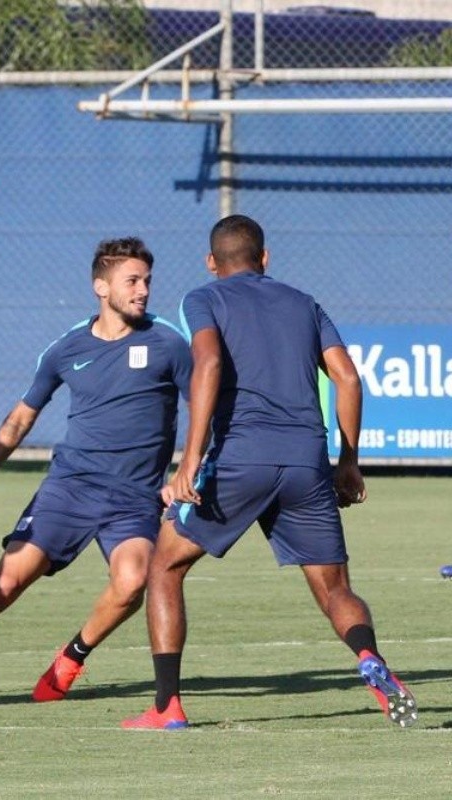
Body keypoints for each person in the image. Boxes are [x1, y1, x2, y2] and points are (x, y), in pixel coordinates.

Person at [122, 214, 417, 731]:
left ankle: (166, 707)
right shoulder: (304, 303)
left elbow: (208, 366)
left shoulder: (203, 299)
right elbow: (347, 376)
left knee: (165, 567)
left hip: (240, 458)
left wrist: (190, 458)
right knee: (334, 589)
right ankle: (371, 661)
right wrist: (348, 461)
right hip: (307, 462)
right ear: (265, 258)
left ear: (212, 263)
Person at [0, 236, 191, 705]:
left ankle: (72, 656)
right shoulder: (67, 348)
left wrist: (186, 471)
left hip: (133, 499)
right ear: (101, 287)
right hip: (68, 490)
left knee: (132, 583)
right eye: (132, 281)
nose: (143, 290)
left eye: (147, 280)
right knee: (4, 583)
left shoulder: (169, 341)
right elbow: (23, 415)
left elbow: (207, 408)